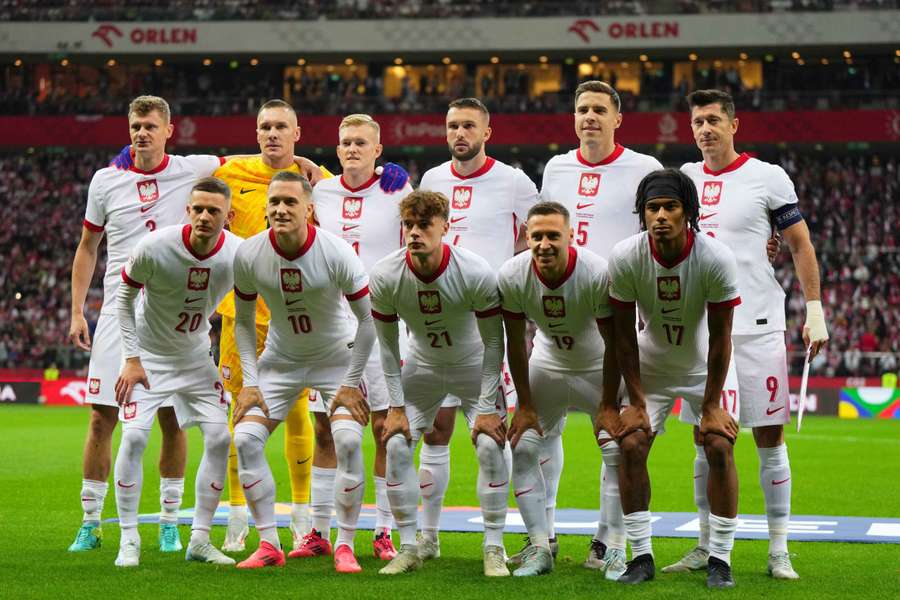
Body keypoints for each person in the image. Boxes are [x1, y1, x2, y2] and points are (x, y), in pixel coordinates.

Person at [669, 89, 829, 580]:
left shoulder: (767, 176)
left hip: (757, 324)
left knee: (769, 436)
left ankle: (778, 549)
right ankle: (703, 543)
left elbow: (799, 245)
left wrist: (816, 308)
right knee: (705, 437)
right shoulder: (683, 180)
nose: (705, 129)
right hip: (701, 331)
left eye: (714, 120)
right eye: (698, 121)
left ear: (734, 125)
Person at [67, 95, 215, 553]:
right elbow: (88, 246)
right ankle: (92, 521)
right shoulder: (106, 180)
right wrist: (77, 310)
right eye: (135, 126)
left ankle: (169, 519)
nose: (141, 133)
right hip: (118, 312)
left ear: (169, 130)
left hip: (173, 315)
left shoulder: (193, 169)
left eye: (150, 126)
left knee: (173, 420)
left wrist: (309, 165)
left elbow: (255, 163)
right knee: (100, 418)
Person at [537, 79, 662, 575]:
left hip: (615, 318)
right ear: (573, 118)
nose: (589, 117)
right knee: (544, 431)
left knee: (613, 432)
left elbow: (659, 229)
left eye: (598, 110)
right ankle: (542, 536)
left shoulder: (645, 168)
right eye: (581, 109)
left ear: (617, 118)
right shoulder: (556, 167)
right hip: (558, 312)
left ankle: (607, 540)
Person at [602, 168, 742, 588]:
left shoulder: (715, 258)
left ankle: (720, 559)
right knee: (630, 443)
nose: (660, 215)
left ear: (689, 213)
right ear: (642, 214)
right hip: (651, 364)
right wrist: (638, 402)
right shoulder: (626, 256)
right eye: (652, 208)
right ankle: (640, 557)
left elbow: (720, 341)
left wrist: (712, 404)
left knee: (719, 445)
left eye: (670, 207)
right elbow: (624, 339)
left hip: (704, 365)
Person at [230, 172, 375, 573]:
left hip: (335, 360)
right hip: (281, 361)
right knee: (244, 439)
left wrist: (350, 384)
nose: (280, 209)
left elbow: (368, 322)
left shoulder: (336, 251)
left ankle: (343, 543)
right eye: (274, 201)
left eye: (290, 202)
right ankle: (269, 544)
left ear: (309, 209)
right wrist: (251, 382)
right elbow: (243, 322)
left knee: (346, 440)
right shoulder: (249, 254)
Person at [416, 97, 538, 560]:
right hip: (435, 323)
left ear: (487, 131)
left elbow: (539, 232)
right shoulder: (432, 179)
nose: (459, 133)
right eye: (452, 126)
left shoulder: (513, 181)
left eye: (469, 125)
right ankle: (428, 536)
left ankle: (495, 542)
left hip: (489, 326)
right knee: (435, 430)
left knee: (491, 435)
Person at [370, 190, 509, 577]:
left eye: (424, 225)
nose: (415, 233)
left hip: (472, 365)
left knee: (489, 445)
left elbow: (494, 341)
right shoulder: (385, 274)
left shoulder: (474, 270)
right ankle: (412, 546)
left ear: (445, 227)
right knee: (395, 441)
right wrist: (396, 408)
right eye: (409, 225)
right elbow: (386, 346)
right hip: (423, 368)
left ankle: (493, 547)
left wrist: (484, 407)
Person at [211, 99, 329, 553]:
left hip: (298, 314)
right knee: (240, 411)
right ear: (256, 132)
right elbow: (178, 174)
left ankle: (302, 519)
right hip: (240, 316)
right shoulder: (229, 173)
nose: (272, 134)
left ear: (297, 133)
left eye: (281, 126)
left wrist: (395, 174)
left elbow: (363, 195)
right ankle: (237, 518)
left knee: (300, 412)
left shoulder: (320, 182)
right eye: (265, 127)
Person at [112, 177, 241, 568]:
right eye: (197, 208)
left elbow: (249, 314)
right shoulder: (154, 247)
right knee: (134, 438)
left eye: (213, 210)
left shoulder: (238, 255)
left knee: (220, 438)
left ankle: (200, 539)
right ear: (187, 210)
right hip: (148, 359)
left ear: (228, 216)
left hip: (195, 358)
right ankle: (129, 538)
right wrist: (131, 359)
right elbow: (123, 300)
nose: (204, 216)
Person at [304, 113, 413, 561]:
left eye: (361, 143)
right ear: (337, 149)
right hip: (332, 326)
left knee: (388, 430)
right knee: (326, 430)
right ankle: (317, 531)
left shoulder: (397, 190)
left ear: (378, 150)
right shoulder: (321, 190)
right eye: (345, 142)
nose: (352, 148)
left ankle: (382, 530)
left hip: (385, 323)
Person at [498, 201, 619, 577]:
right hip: (548, 362)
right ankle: (539, 546)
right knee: (523, 445)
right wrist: (526, 405)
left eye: (553, 235)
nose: (545, 243)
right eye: (537, 236)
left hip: (597, 364)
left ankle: (608, 546)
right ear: (526, 238)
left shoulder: (596, 272)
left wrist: (608, 403)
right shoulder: (513, 274)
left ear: (571, 236)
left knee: (617, 448)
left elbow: (616, 342)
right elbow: (515, 343)